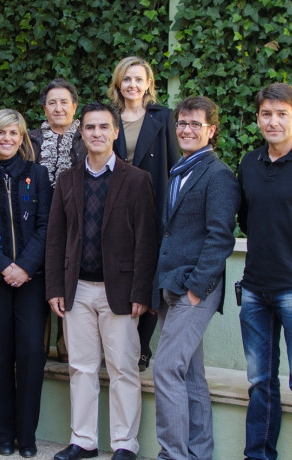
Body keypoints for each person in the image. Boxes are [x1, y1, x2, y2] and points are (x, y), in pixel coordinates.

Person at [46, 102, 157, 460]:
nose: (96, 133)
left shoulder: (137, 180)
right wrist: (55, 289)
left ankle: (125, 444)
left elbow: (146, 241)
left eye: (103, 127)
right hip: (77, 290)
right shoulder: (68, 179)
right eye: (90, 127)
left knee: (123, 369)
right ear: (83, 133)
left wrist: (141, 290)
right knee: (81, 369)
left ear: (114, 132)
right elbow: (55, 238)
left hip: (121, 293)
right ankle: (84, 441)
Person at [153, 96, 240, 460]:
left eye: (195, 124)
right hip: (169, 282)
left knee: (165, 368)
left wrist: (194, 290)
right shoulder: (179, 168)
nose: (187, 130)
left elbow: (221, 237)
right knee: (189, 374)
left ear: (211, 130)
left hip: (194, 287)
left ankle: (173, 455)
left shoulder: (218, 175)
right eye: (182, 123)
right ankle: (199, 453)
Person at [0, 109, 52, 458]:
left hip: (31, 281)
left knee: (31, 353)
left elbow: (46, 226)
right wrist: (5, 268)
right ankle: (2, 434)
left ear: (22, 139)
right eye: (0, 133)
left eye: (13, 134)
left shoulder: (38, 174)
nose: (7, 139)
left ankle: (26, 436)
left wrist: (25, 268)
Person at [107, 56, 179, 371]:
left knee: (149, 275)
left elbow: (175, 166)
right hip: (115, 206)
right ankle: (119, 344)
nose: (133, 85)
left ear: (148, 83)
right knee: (120, 273)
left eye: (139, 79)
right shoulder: (108, 117)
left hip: (153, 203)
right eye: (127, 79)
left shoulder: (164, 117)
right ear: (118, 84)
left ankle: (142, 346)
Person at [238, 82, 292, 460]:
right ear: (258, 119)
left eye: (282, 114)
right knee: (260, 382)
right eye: (267, 114)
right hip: (255, 291)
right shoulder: (249, 164)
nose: (273, 121)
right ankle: (258, 455)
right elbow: (245, 220)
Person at [28, 78, 87, 363]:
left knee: (70, 278)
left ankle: (68, 348)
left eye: (64, 102)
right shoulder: (31, 138)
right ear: (44, 108)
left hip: (76, 221)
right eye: (52, 102)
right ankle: (38, 345)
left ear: (75, 106)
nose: (58, 107)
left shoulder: (86, 136)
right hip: (38, 221)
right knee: (40, 280)